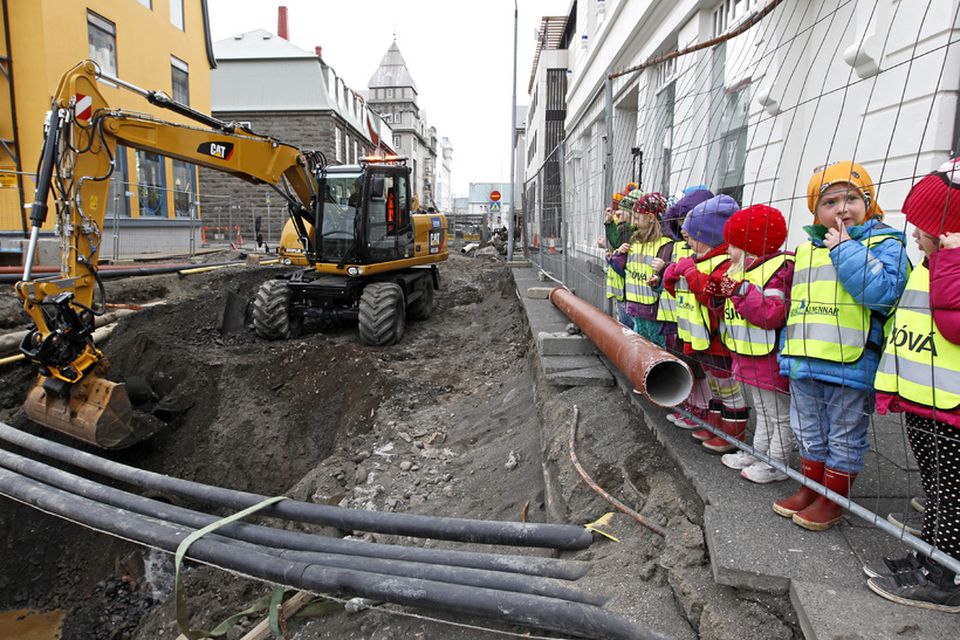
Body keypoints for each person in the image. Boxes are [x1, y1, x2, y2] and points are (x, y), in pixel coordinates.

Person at [774, 161, 909, 531]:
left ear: (869, 202)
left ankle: (833, 500)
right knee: (809, 432)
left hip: (850, 363)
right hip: (805, 359)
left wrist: (847, 249)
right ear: (816, 211)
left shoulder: (886, 243)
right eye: (829, 202)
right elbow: (796, 306)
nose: (841, 209)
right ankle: (811, 488)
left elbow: (882, 295)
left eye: (851, 198)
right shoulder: (806, 250)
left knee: (844, 436)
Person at [865, 158, 960, 612]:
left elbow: (953, 323)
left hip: (952, 405)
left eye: (923, 226)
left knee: (953, 493)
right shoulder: (934, 263)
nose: (914, 233)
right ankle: (931, 558)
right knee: (936, 489)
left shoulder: (951, 268)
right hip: (928, 399)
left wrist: (952, 260)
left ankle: (946, 578)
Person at [712, 204, 795, 483]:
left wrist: (739, 291)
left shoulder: (777, 270)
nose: (727, 252)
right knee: (763, 409)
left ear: (750, 246)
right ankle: (759, 453)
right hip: (748, 354)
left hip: (767, 357)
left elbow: (772, 313)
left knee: (778, 414)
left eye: (733, 245)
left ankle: (777, 463)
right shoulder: (746, 270)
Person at [663, 194, 747, 453]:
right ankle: (715, 425)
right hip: (700, 338)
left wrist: (688, 272)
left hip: (718, 340)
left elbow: (710, 295)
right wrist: (672, 274)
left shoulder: (725, 265)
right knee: (713, 384)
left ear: (708, 235)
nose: (686, 241)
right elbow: (680, 291)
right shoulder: (700, 261)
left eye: (691, 237)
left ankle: (732, 433)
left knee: (727, 386)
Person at [659, 189, 715, 430]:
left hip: (699, 322)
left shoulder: (708, 255)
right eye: (681, 221)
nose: (683, 227)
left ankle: (704, 408)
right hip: (681, 317)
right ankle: (693, 404)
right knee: (687, 362)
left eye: (687, 220)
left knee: (704, 369)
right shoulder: (681, 248)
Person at [609, 191, 672, 346]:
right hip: (635, 307)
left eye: (637, 218)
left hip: (654, 312)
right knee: (639, 346)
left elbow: (668, 277)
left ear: (651, 218)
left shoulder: (665, 244)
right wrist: (618, 256)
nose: (634, 223)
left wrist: (661, 273)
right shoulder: (635, 241)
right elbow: (625, 270)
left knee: (656, 347)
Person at [602, 184, 638, 325]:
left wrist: (615, 257)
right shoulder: (625, 229)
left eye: (622, 211)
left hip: (629, 292)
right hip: (624, 291)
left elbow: (618, 245)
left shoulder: (631, 232)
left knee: (628, 326)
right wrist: (610, 224)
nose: (618, 214)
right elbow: (617, 242)